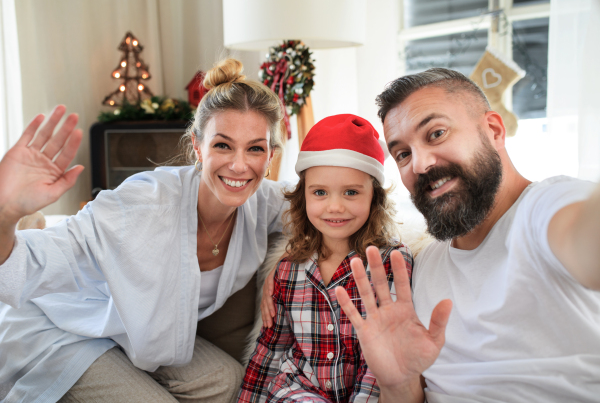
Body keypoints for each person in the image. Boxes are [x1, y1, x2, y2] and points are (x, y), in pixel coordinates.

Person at [0, 58, 288, 403]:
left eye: (254, 148)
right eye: (223, 145)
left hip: (136, 336)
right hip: (63, 328)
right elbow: (23, 269)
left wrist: (285, 259)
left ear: (270, 155)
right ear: (197, 147)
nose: (239, 165)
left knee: (226, 381)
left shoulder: (265, 203)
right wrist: (6, 212)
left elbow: (327, 209)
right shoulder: (140, 206)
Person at [334, 68, 600, 402]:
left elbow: (583, 239)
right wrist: (397, 381)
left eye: (436, 133)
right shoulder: (421, 266)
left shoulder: (543, 209)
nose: (419, 164)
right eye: (402, 153)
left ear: (493, 130)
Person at [238, 114, 414, 403]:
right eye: (320, 192)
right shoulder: (288, 268)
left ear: (374, 197)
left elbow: (381, 363)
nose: (335, 206)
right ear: (303, 197)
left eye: (351, 192)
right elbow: (271, 348)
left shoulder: (391, 261)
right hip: (296, 391)